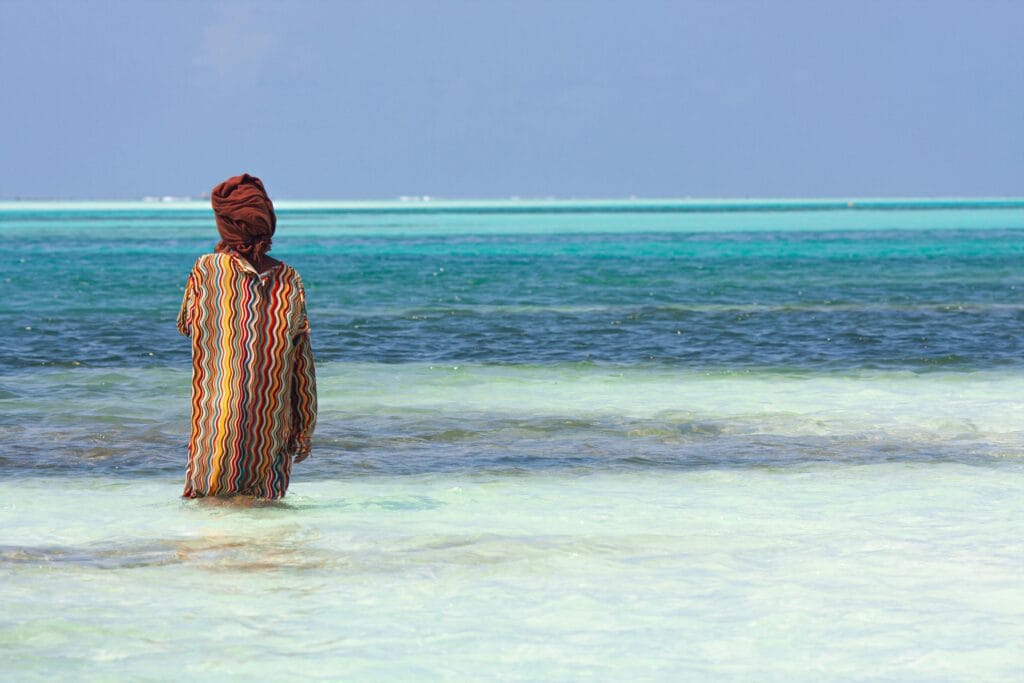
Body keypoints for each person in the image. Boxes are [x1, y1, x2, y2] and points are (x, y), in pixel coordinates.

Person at [177, 173, 317, 499]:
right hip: (271, 432)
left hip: (215, 428)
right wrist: (305, 428)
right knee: (266, 530)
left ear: (225, 225)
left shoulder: (206, 270)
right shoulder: (288, 279)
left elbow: (186, 324)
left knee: (210, 522)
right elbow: (302, 364)